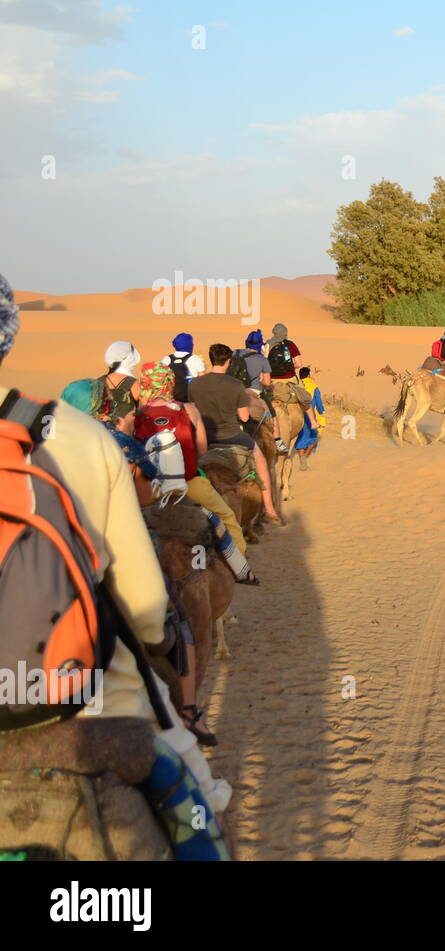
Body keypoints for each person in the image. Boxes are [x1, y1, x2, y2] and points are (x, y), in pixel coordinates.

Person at [0, 273, 232, 859]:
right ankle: (241, 557)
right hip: (86, 696)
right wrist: (158, 637)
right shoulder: (76, 435)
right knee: (197, 798)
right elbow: (146, 607)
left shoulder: (111, 404)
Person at [134, 361, 257, 577]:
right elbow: (201, 449)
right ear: (169, 385)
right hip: (189, 484)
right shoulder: (189, 410)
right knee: (227, 516)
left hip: (149, 489)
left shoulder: (137, 416)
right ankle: (239, 567)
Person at [188, 343, 282, 524]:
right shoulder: (236, 385)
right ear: (229, 362)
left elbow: (193, 412)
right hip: (232, 435)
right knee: (261, 460)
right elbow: (245, 417)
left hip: (204, 437)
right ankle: (269, 510)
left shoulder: (195, 384)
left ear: (211, 359)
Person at [234, 330, 290, 454]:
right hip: (254, 391)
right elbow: (267, 382)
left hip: (233, 389)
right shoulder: (262, 360)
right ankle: (278, 441)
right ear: (260, 345)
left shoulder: (235, 353)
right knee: (272, 413)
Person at [98, 340, 142, 425]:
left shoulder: (97, 383)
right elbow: (142, 411)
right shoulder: (134, 384)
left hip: (102, 431)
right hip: (126, 433)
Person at [294, 366, 325, 470]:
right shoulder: (314, 386)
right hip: (309, 415)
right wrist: (321, 412)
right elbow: (318, 402)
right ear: (308, 375)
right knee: (313, 437)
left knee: (300, 437)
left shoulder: (296, 385)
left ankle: (301, 457)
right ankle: (304, 457)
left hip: (297, 413)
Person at [162, 332, 206, 403]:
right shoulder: (195, 359)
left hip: (170, 401)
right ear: (190, 345)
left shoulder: (166, 359)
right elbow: (203, 381)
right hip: (189, 402)